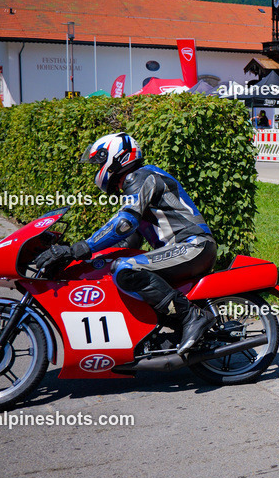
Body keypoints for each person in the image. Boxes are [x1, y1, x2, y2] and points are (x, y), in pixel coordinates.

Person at [32, 133, 218, 355]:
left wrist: (79, 249)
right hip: (187, 249)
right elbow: (128, 239)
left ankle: (191, 317)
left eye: (99, 162)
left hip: (193, 246)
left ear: (116, 157)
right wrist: (86, 261)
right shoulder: (139, 182)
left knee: (126, 268)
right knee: (117, 270)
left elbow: (123, 224)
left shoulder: (139, 177)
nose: (98, 169)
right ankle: (172, 332)